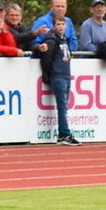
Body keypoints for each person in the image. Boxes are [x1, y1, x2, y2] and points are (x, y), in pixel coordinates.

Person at [35, 16, 79, 145]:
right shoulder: (51, 40)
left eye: (63, 24)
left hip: (66, 75)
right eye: (58, 24)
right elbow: (46, 59)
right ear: (54, 26)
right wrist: (50, 74)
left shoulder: (65, 40)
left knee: (64, 106)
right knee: (62, 106)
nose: (61, 26)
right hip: (58, 76)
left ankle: (63, 134)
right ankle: (64, 134)